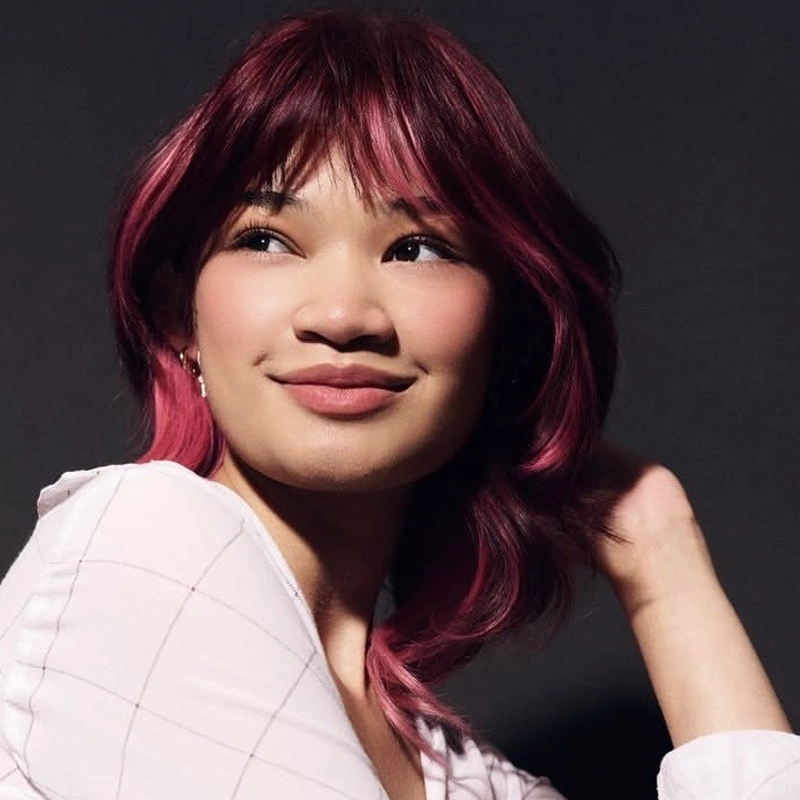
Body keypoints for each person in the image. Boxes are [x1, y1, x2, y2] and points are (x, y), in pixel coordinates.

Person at [0, 10, 796, 799]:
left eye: (417, 248)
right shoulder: (142, 547)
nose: (342, 315)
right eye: (268, 239)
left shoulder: (465, 780)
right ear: (180, 314)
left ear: (507, 332)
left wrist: (663, 556)